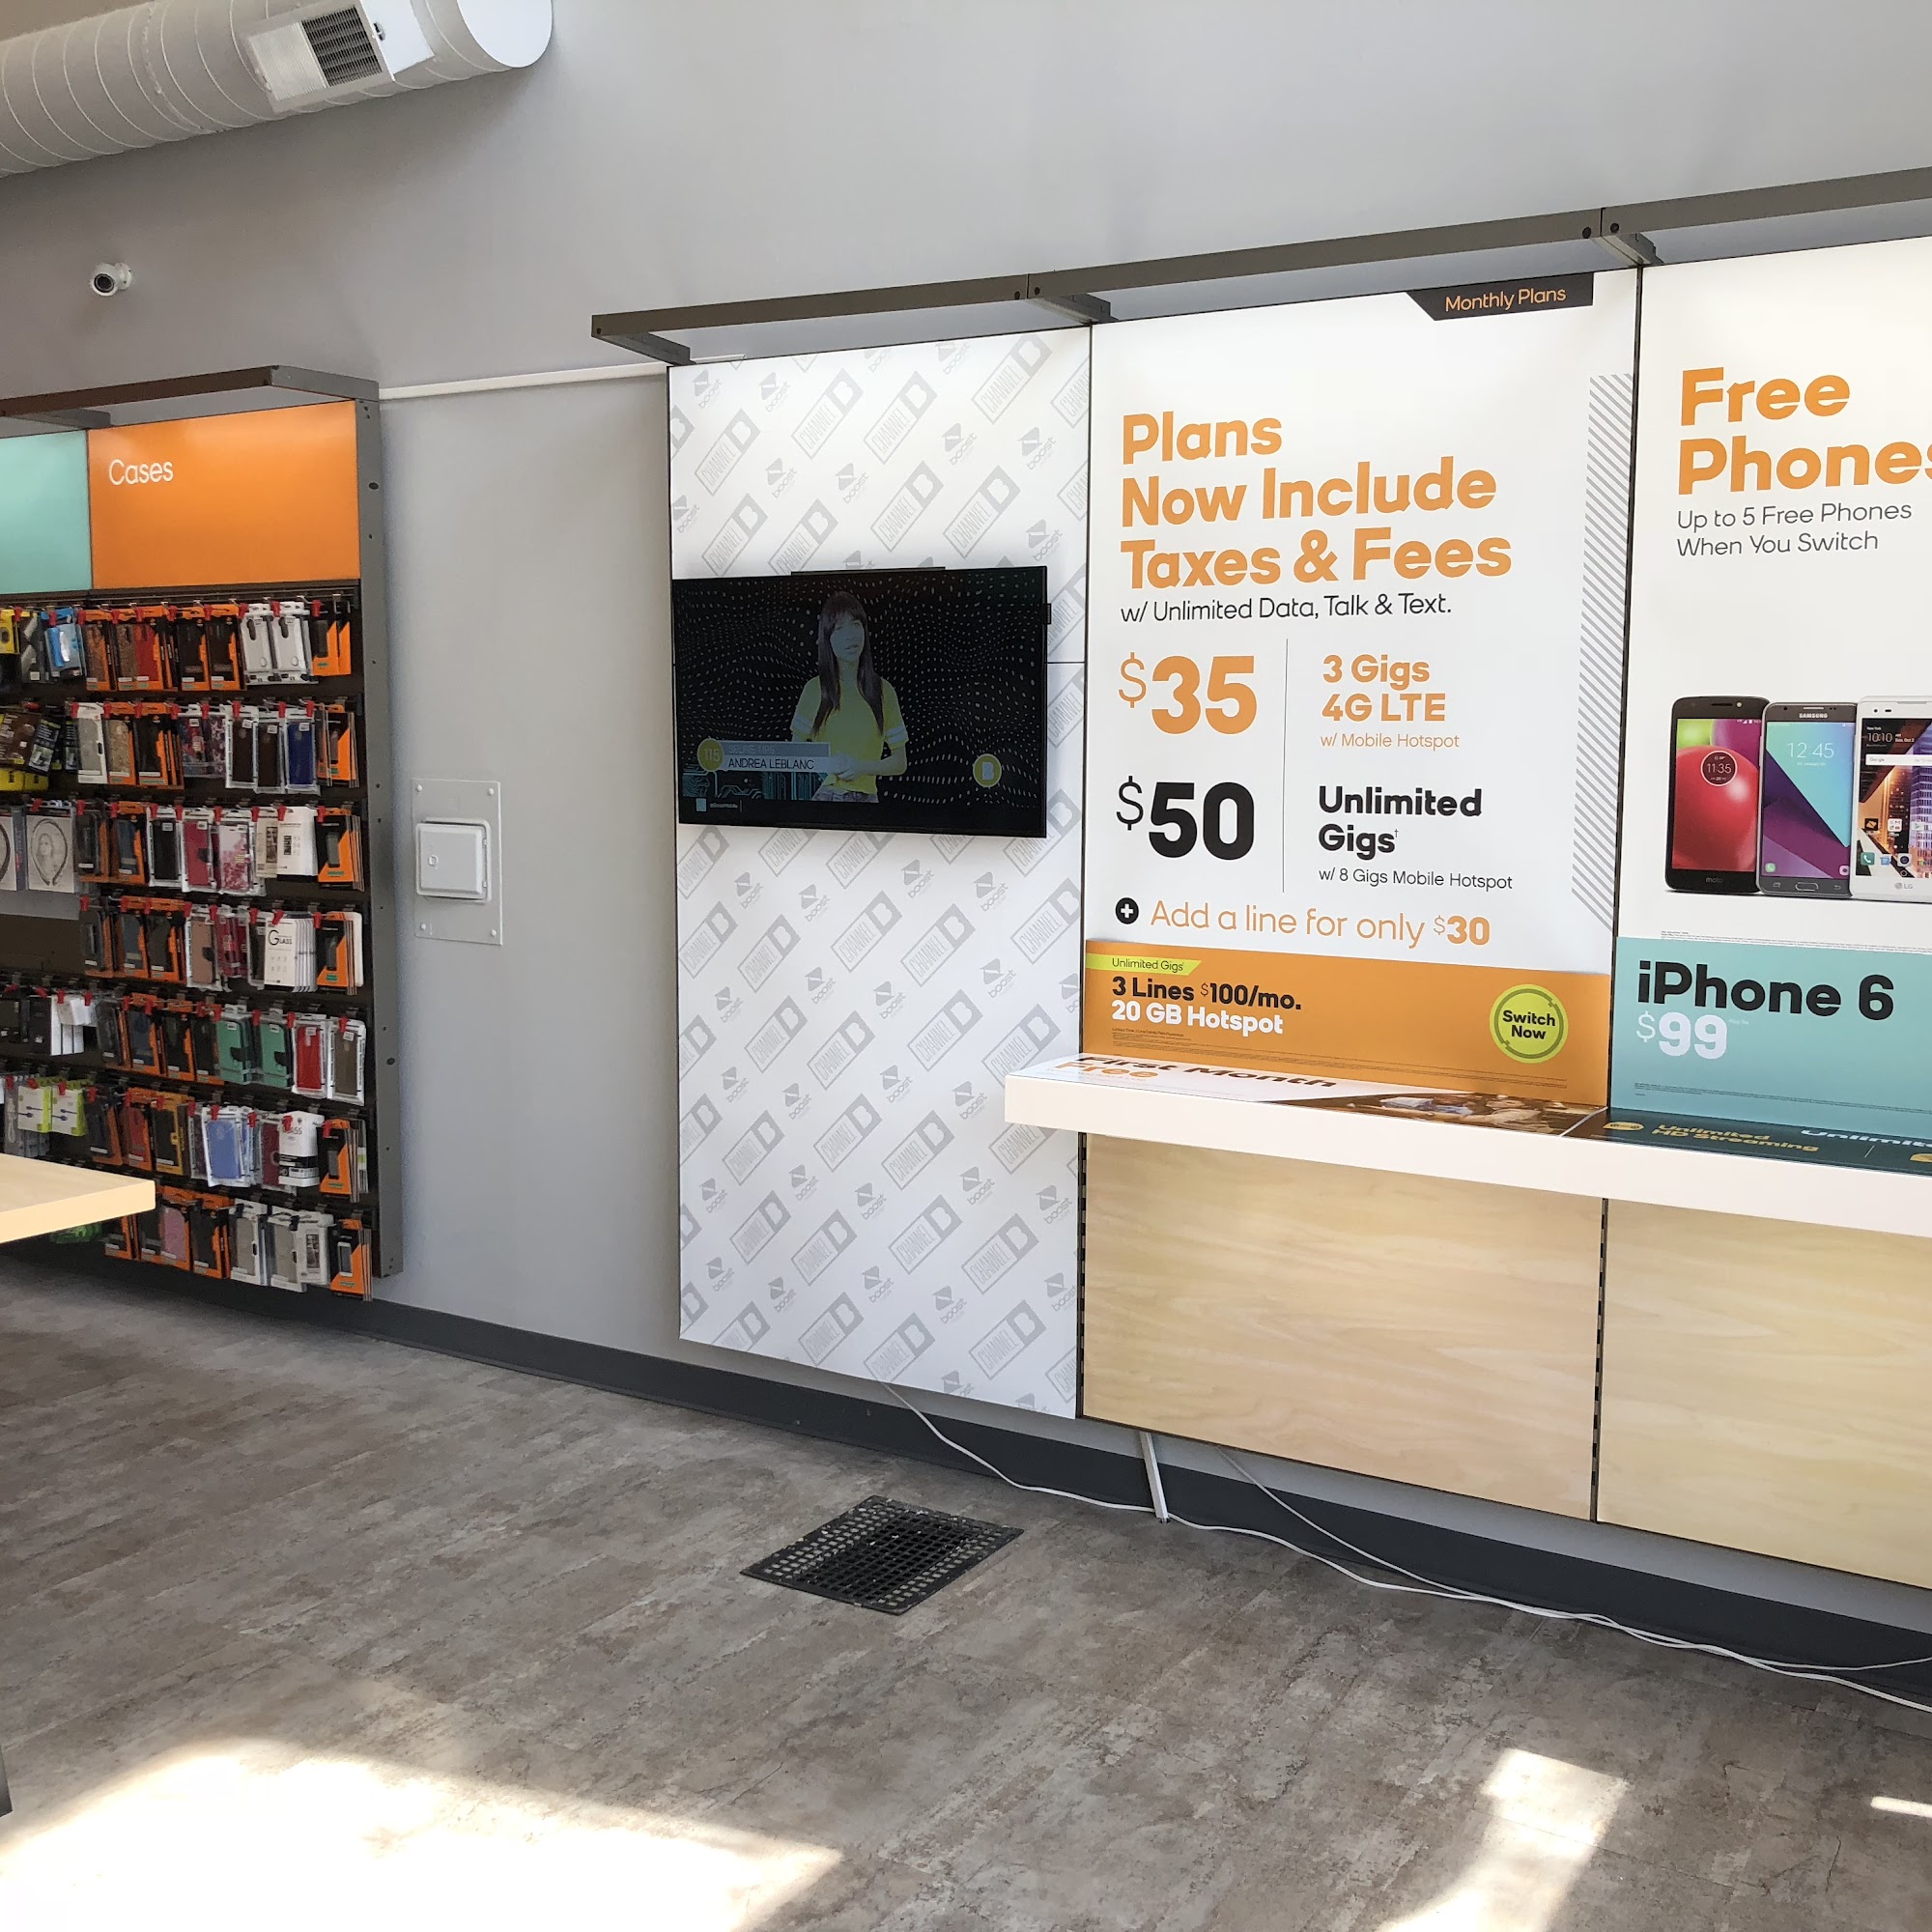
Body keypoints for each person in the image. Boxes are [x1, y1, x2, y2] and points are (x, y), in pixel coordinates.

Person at [789, 590, 906, 801]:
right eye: (839, 628)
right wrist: (826, 767)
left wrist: (861, 768)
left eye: (855, 624)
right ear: (828, 638)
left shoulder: (883, 690)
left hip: (867, 800)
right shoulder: (814, 689)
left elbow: (900, 762)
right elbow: (794, 753)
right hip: (822, 797)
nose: (850, 635)